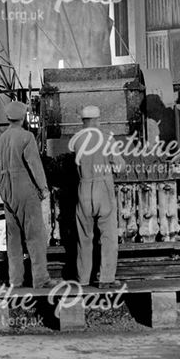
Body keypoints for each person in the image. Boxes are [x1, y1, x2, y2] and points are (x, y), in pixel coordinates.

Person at [0, 100, 54, 289]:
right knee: (34, 234)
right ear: (23, 117)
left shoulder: (2, 138)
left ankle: (16, 280)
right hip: (23, 186)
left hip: (5, 187)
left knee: (13, 238)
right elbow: (34, 165)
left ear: (8, 117)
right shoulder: (27, 136)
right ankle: (40, 279)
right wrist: (43, 188)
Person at [69, 106, 124, 289]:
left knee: (84, 237)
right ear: (98, 119)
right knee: (108, 236)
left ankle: (83, 279)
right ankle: (106, 278)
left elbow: (76, 168)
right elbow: (119, 166)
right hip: (103, 189)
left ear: (82, 121)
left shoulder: (76, 141)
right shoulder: (107, 138)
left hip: (83, 188)